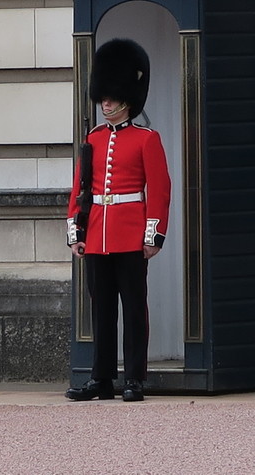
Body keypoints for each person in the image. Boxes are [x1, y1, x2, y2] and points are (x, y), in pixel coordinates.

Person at [65, 38, 171, 402]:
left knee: (134, 308)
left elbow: (159, 190)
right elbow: (80, 188)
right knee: (103, 308)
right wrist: (76, 231)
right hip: (97, 232)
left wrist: (152, 235)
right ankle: (102, 377)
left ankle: (135, 377)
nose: (105, 102)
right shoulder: (93, 138)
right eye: (103, 96)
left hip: (129, 232)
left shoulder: (147, 139)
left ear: (127, 97)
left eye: (111, 97)